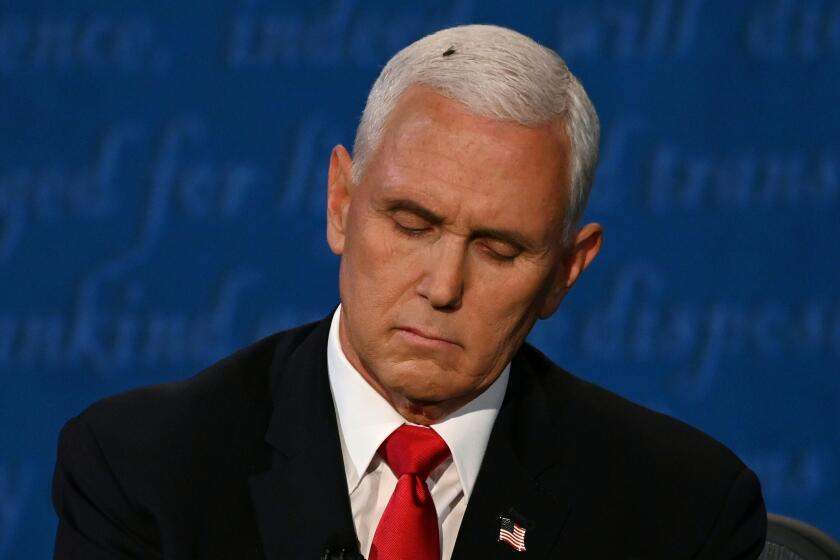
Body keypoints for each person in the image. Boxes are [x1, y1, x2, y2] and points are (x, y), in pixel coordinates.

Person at [52, 24, 766, 559]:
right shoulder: (144, 470)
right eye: (412, 223)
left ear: (565, 272)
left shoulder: (682, 511)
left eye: (499, 248)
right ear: (340, 202)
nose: (443, 286)